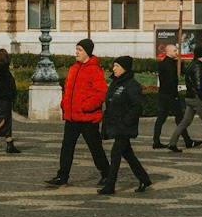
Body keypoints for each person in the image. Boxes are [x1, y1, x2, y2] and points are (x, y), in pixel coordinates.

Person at [44, 39, 111, 188]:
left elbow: (101, 93)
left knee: (95, 148)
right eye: (77, 49)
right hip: (72, 117)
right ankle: (62, 176)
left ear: (87, 52)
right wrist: (64, 104)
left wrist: (86, 106)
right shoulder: (73, 68)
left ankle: (107, 173)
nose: (77, 52)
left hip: (88, 118)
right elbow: (68, 90)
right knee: (66, 147)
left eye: (80, 50)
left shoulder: (95, 70)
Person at [97, 55, 152, 194]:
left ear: (124, 69)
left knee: (116, 155)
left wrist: (126, 121)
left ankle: (110, 185)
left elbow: (137, 106)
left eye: (117, 66)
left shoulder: (131, 85)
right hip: (116, 125)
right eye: (114, 65)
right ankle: (144, 179)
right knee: (128, 155)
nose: (113, 68)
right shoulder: (116, 82)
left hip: (124, 127)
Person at [170, 43, 202, 152]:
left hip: (189, 97)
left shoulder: (191, 64)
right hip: (196, 98)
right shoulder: (198, 66)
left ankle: (172, 142)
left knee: (185, 121)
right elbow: (199, 85)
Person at [151, 42, 186, 151]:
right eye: (175, 50)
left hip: (163, 95)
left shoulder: (164, 63)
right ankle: (186, 140)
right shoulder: (170, 64)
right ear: (169, 52)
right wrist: (175, 96)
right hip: (170, 96)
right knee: (180, 118)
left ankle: (156, 141)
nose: (177, 52)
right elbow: (171, 82)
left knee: (161, 118)